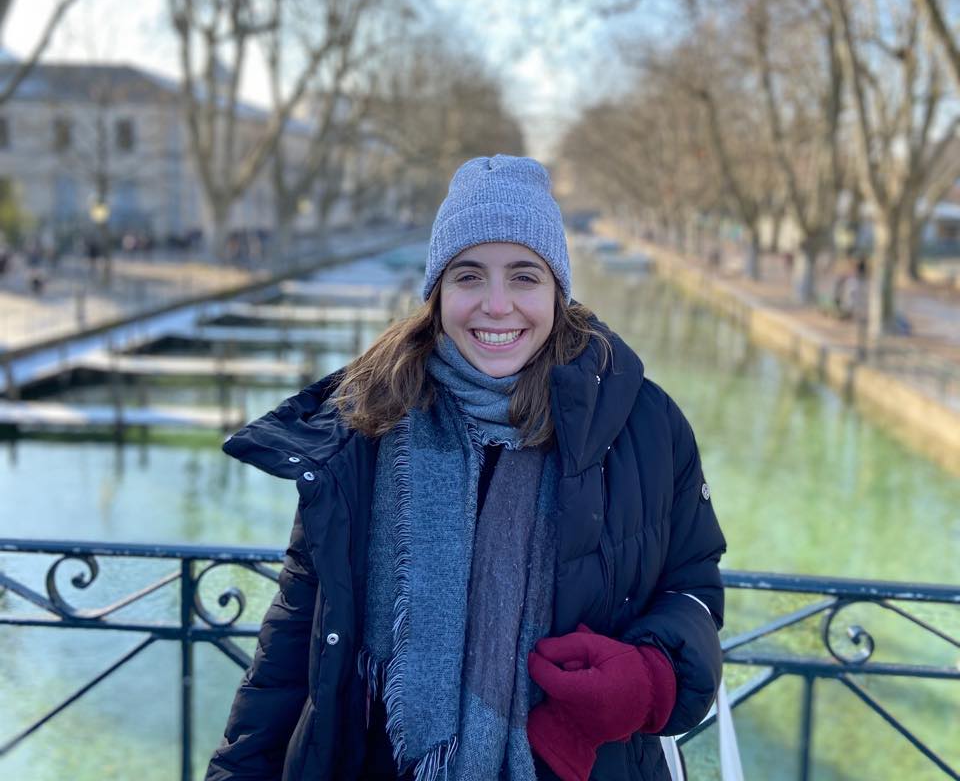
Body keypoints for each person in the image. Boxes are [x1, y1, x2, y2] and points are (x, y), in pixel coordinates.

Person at [206, 155, 726, 781]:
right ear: (438, 293)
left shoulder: (645, 423)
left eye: (524, 277)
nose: (496, 305)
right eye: (469, 276)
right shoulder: (366, 419)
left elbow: (693, 589)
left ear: (557, 292)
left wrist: (650, 679)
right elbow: (295, 637)